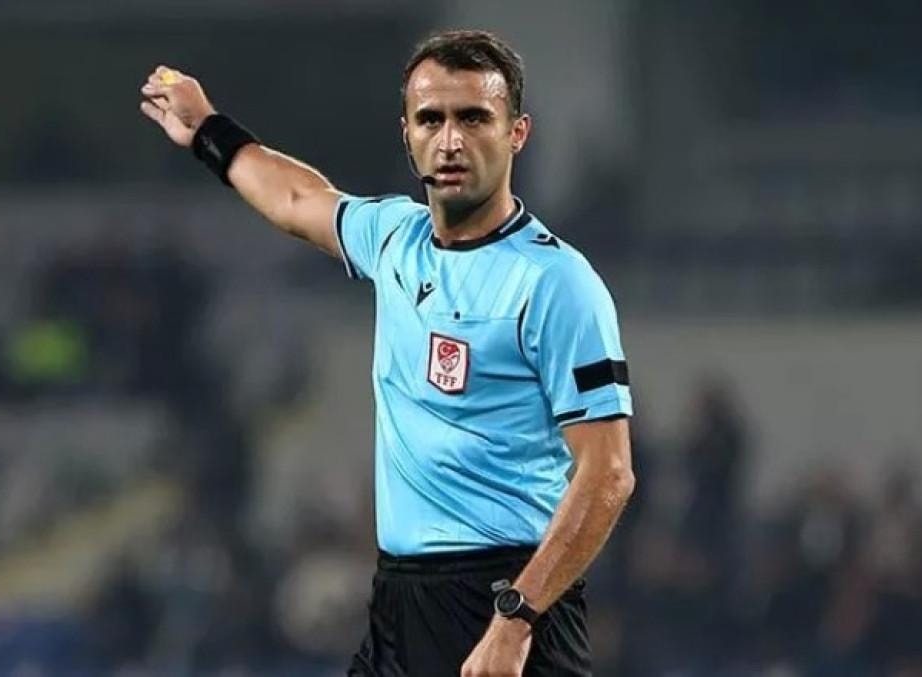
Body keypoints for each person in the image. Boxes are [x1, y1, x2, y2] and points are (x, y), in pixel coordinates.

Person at [140, 29, 635, 677]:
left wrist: (516, 617)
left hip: (507, 597)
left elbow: (609, 473)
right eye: (431, 119)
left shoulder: (556, 283)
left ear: (517, 133)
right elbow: (296, 198)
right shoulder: (396, 240)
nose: (450, 140)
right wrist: (208, 128)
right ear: (407, 134)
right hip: (401, 598)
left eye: (473, 118)